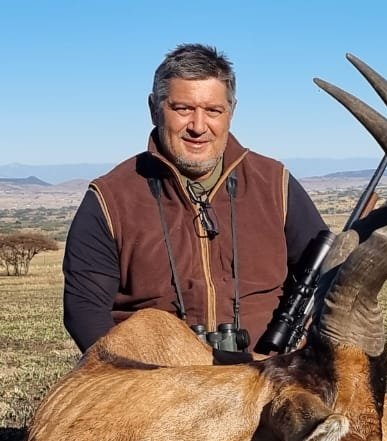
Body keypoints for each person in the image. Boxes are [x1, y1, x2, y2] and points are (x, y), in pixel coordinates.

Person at [63, 44, 329, 352]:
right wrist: (137, 378)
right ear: (154, 108)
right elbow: (84, 311)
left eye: (213, 111)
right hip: (159, 384)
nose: (198, 127)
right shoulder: (109, 198)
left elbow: (327, 278)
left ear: (231, 112)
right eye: (183, 109)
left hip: (269, 375)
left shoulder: (274, 183)